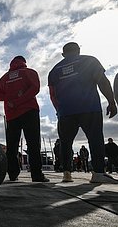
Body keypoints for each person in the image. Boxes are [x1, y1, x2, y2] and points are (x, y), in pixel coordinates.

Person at [48, 42, 117, 183]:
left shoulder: (54, 70)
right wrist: (111, 101)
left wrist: (59, 111)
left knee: (65, 143)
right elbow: (103, 82)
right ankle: (98, 173)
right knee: (95, 138)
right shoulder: (89, 61)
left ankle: (67, 173)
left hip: (65, 112)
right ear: (78, 50)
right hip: (89, 107)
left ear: (63, 54)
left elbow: (52, 94)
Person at [0, 56, 49, 182]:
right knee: (33, 143)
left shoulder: (4, 78)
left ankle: (13, 174)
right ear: (24, 62)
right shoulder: (29, 72)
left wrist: (11, 99)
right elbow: (35, 88)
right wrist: (20, 100)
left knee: (12, 145)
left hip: (11, 114)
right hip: (29, 110)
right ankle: (36, 174)